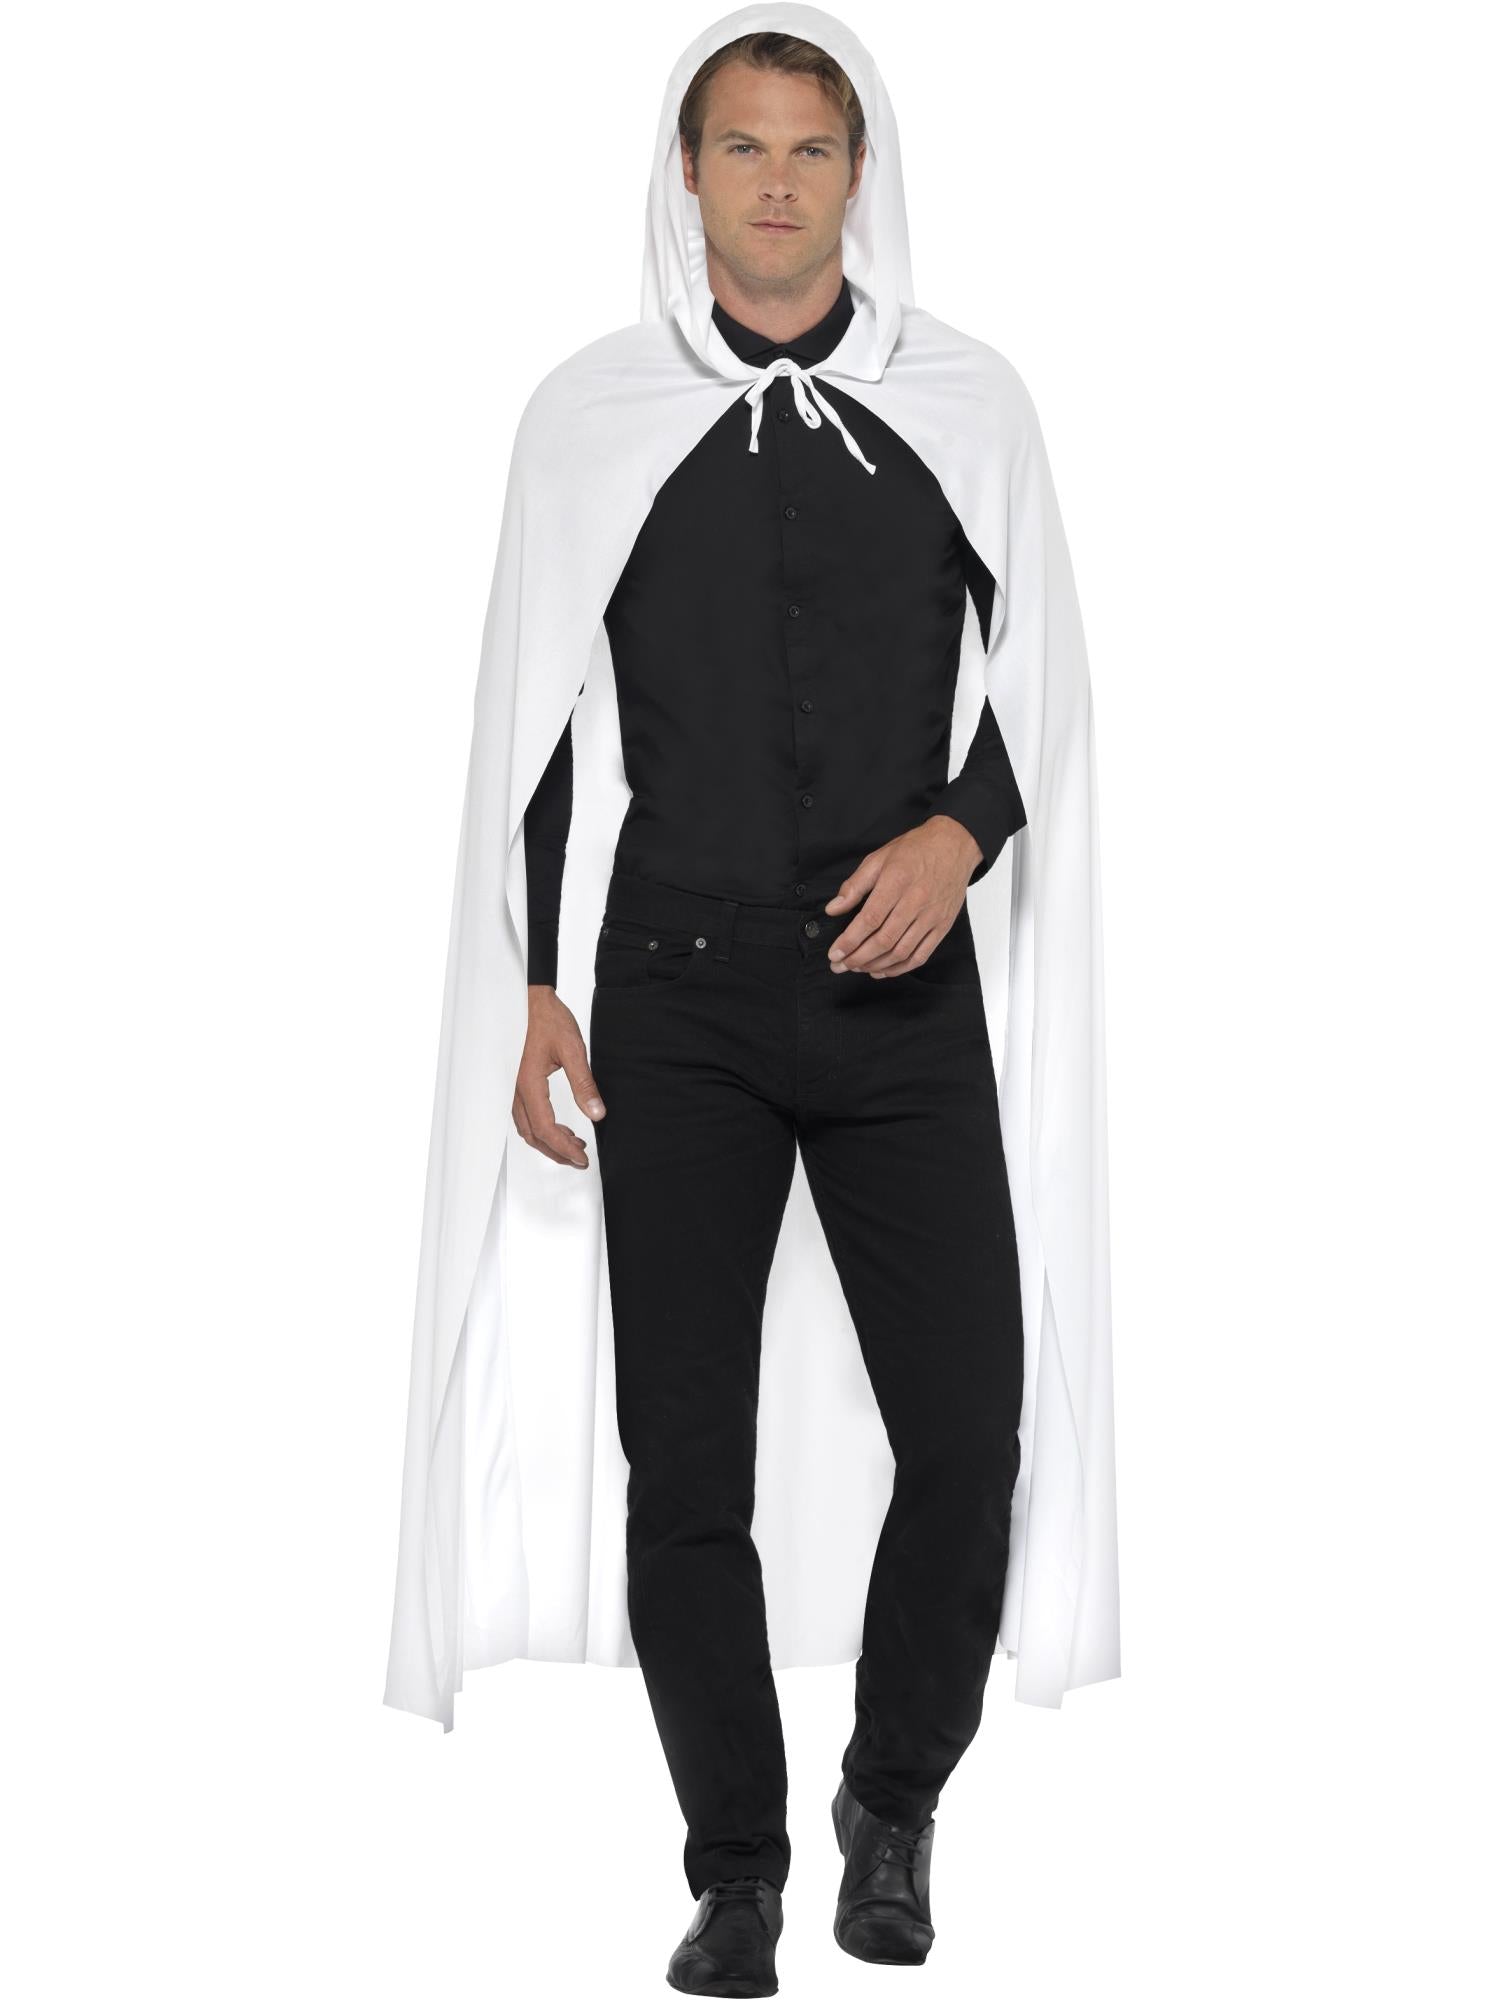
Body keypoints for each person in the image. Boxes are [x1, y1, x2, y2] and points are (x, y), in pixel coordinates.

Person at [383, 10, 1118, 1997]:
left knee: (966, 1429)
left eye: (810, 148)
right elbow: (535, 716)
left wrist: (960, 834)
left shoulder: (969, 403)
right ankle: (735, 1870)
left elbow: (1047, 681)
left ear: (858, 175)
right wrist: (535, 982)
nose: (777, 182)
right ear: (687, 173)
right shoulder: (589, 414)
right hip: (676, 996)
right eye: (742, 146)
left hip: (900, 995)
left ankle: (896, 1801)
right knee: (687, 1465)